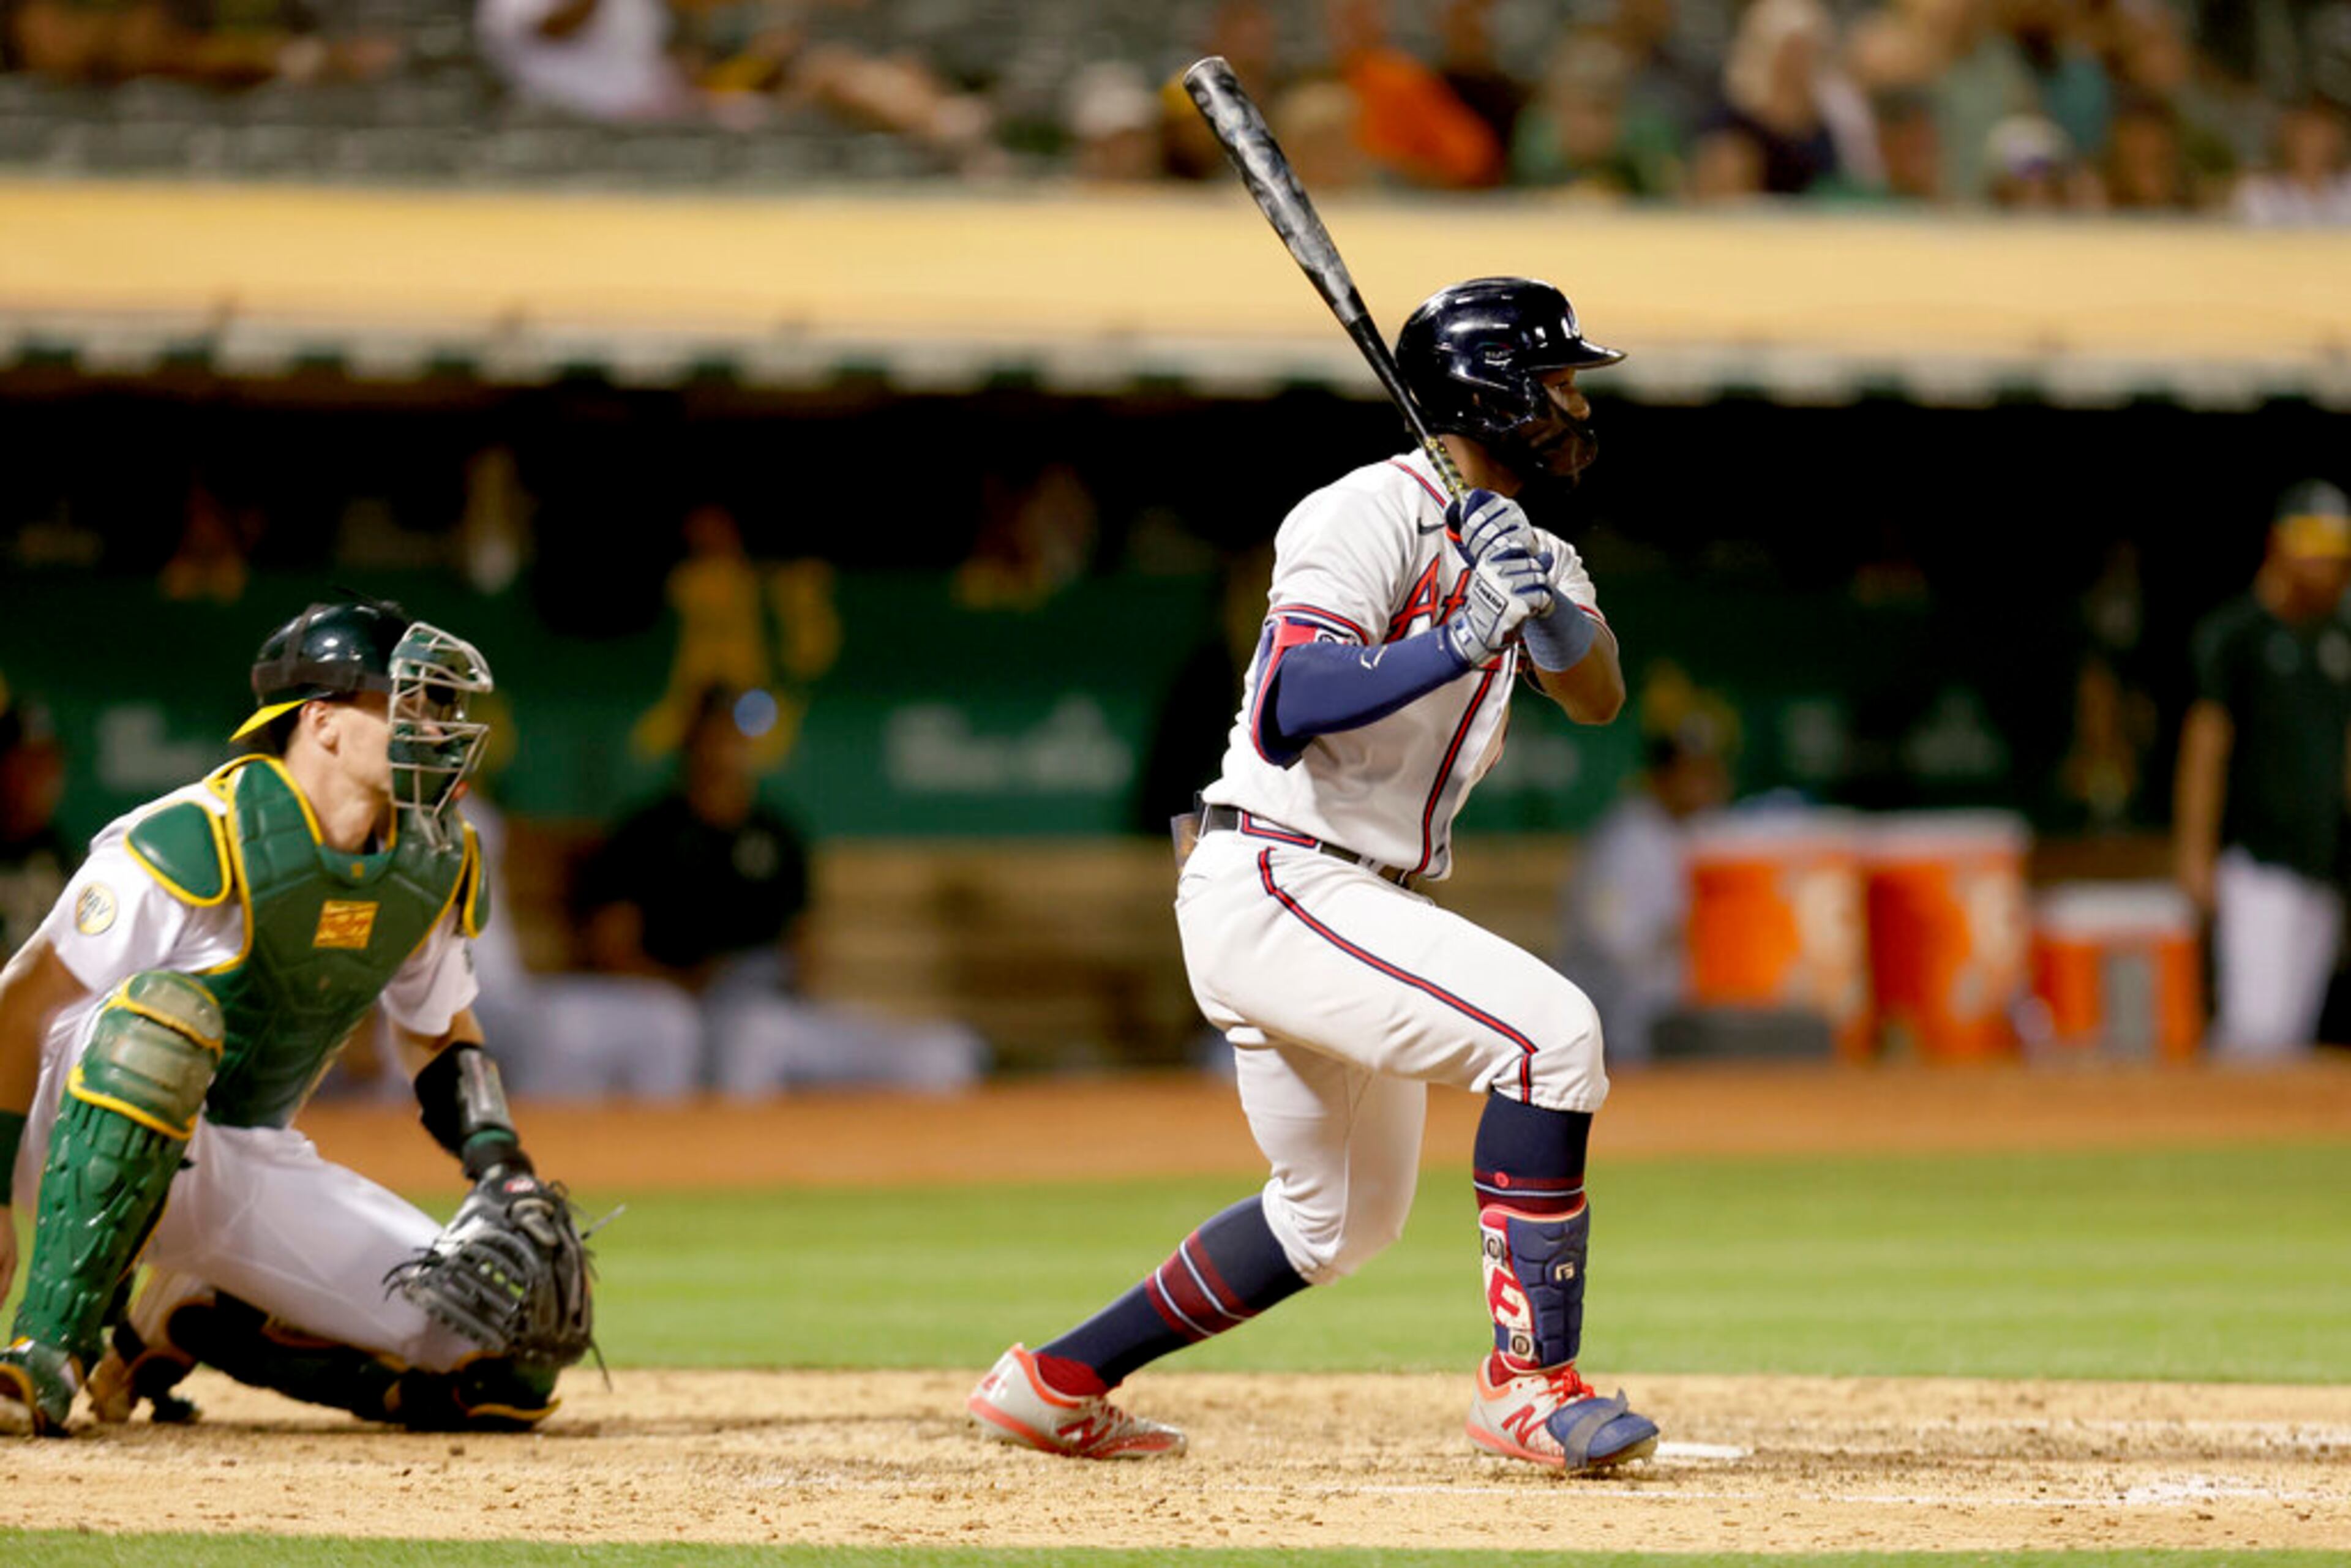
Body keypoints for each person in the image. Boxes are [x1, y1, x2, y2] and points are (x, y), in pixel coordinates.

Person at [969, 277, 1660, 1474]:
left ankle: (1054, 1380)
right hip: (1282, 871)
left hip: (1351, 893)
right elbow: (1291, 702)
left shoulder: (1532, 542)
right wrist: (1458, 630)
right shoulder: (1362, 512)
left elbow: (1597, 695)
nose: (1568, 404)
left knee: (1334, 1219)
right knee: (1553, 1036)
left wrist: (1536, 601)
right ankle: (1530, 1386)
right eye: (1551, 381)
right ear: (1491, 392)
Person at [0, 598, 582, 1435]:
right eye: (410, 702)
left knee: (504, 1341)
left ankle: (194, 1313)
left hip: (238, 1148)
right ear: (324, 722)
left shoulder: (428, 857)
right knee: (164, 1023)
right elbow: (19, 1006)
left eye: (443, 706)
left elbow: (437, 1032)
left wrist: (503, 1167)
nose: (439, 726)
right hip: (59, 1125)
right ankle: (45, 1349)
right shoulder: (200, 837)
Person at [579, 683, 986, 1096]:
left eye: (737, 734)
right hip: (690, 1014)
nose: (727, 747)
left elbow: (805, 943)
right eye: (716, 731)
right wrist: (690, 983)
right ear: (692, 738)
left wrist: (797, 975)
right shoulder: (648, 832)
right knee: (750, 1036)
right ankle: (740, 1156)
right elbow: (613, 947)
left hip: (775, 1003)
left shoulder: (776, 831)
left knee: (940, 1054)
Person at [2173, 481, 2351, 1059]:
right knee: (2256, 1029)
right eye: (2316, 545)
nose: (2328, 562)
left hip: (2322, 864)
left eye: (2337, 547)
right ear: (2280, 543)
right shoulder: (2237, 634)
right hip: (2257, 864)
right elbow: (2206, 749)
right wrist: (2194, 853)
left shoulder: (2339, 637)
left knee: (2293, 1034)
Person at [1556, 714, 1733, 1066]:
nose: (1705, 784)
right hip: (1615, 1018)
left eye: (1709, 772)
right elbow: (1611, 943)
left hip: (1673, 1011)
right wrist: (1688, 930)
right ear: (1662, 777)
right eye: (1693, 773)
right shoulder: (1624, 841)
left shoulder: (1700, 830)